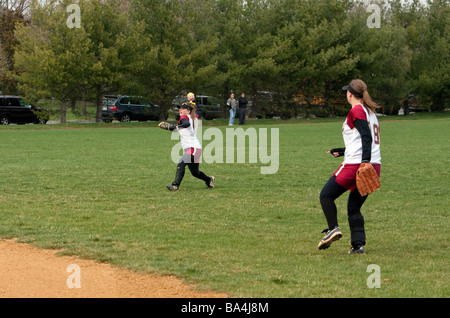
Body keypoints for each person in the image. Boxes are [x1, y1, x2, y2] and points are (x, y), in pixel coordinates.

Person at [318, 79, 381, 255]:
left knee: (326, 195)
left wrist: (364, 162)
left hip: (358, 165)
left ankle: (333, 229)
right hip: (375, 165)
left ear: (350, 94)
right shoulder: (371, 113)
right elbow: (362, 141)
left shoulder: (357, 110)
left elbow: (366, 137)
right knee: (354, 207)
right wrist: (343, 151)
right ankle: (358, 245)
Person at [166, 92, 215, 191]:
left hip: (192, 148)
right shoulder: (194, 117)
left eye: (182, 108)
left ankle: (175, 185)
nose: (180, 110)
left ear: (188, 111)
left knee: (181, 163)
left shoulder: (185, 118)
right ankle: (209, 179)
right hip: (195, 148)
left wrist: (176, 127)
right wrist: (171, 128)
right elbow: (182, 127)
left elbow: (186, 124)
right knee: (195, 173)